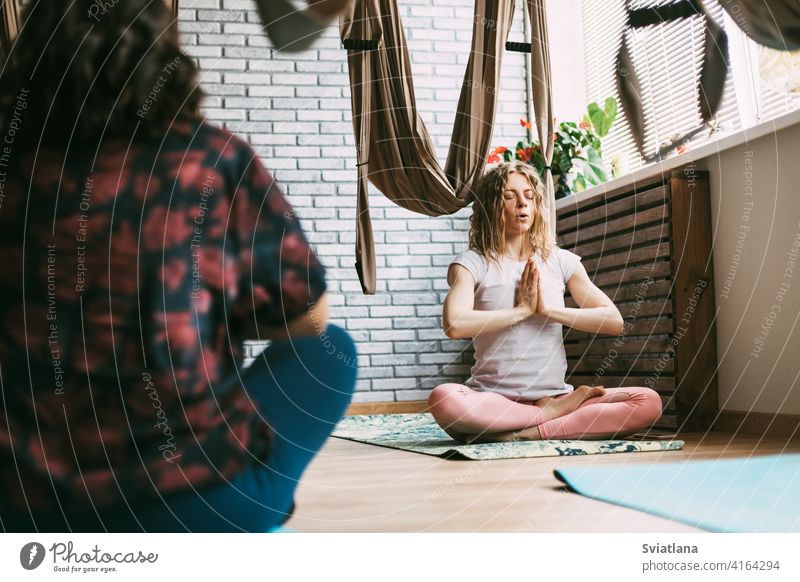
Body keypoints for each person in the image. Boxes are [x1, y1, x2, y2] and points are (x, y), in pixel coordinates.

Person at [0, 0, 356, 532]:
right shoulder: (210, 159)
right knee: (330, 354)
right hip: (197, 501)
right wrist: (202, 311)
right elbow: (308, 318)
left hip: (33, 509)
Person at [428, 161, 662, 443]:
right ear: (491, 205)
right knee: (444, 399)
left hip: (554, 396)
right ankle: (547, 418)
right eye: (509, 196)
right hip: (492, 399)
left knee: (647, 401)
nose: (522, 204)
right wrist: (521, 311)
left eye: (529, 196)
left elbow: (613, 321)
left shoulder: (560, 261)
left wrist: (547, 311)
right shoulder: (472, 263)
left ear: (538, 204)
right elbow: (454, 324)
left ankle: (527, 431)